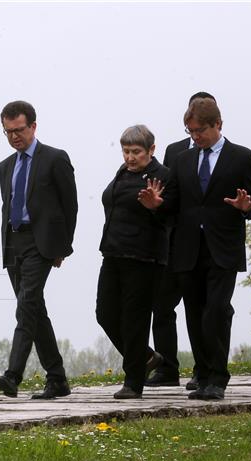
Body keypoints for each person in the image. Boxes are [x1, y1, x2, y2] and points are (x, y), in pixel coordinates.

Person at [138, 98, 251, 400]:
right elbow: (174, 206)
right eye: (190, 131)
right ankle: (204, 374)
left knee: (216, 312)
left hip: (223, 248)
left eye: (200, 131)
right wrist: (157, 205)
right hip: (187, 248)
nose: (195, 137)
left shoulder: (242, 157)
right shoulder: (181, 160)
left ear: (217, 124)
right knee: (194, 314)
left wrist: (248, 207)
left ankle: (219, 377)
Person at [0, 100, 78, 399]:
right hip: (14, 243)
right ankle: (57, 378)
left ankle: (12, 375)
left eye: (19, 130)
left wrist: (63, 247)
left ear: (33, 126)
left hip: (42, 244)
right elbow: (8, 207)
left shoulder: (55, 158)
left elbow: (70, 206)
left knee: (27, 305)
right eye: (8, 132)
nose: (14, 136)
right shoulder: (5, 166)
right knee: (35, 311)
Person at [146, 92, 216, 390]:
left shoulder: (220, 154)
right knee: (162, 304)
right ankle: (167, 368)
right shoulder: (175, 151)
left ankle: (203, 369)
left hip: (204, 243)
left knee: (201, 307)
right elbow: (166, 192)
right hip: (172, 241)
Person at [96, 125, 169, 399]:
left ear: (151, 150)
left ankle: (134, 382)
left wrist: (156, 207)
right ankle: (147, 356)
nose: (130, 157)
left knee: (134, 320)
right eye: (126, 151)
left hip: (144, 257)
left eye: (136, 151)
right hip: (113, 253)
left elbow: (170, 217)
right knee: (104, 313)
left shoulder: (162, 176)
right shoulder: (123, 172)